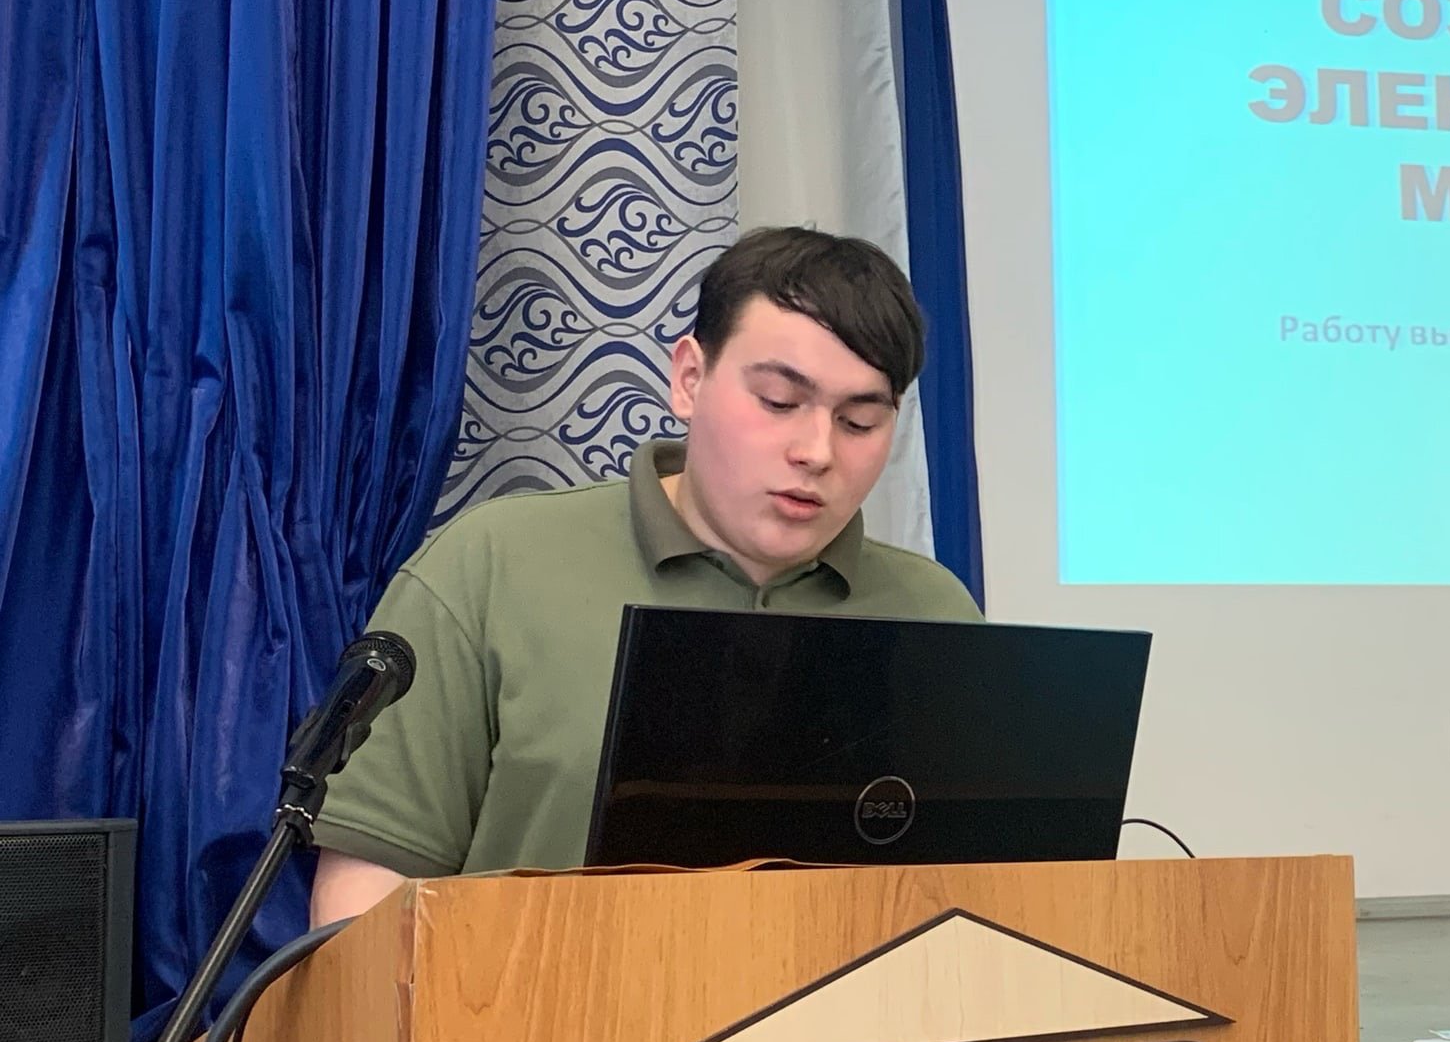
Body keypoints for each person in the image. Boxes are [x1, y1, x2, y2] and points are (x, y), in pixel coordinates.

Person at [308, 228, 980, 923]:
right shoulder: (491, 565)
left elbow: (986, 899)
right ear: (689, 379)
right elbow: (364, 894)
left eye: (859, 422)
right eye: (779, 402)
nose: (816, 451)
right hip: (531, 991)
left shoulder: (935, 614)